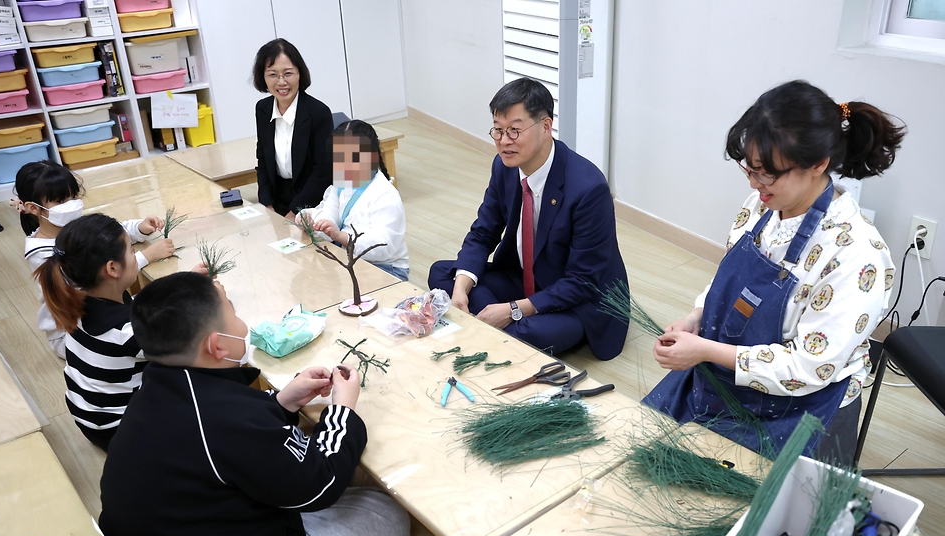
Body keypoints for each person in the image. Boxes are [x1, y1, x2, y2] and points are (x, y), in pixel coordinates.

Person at [99, 272, 410, 536]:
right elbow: (320, 485)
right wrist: (343, 410)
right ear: (217, 345)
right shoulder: (223, 419)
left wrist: (284, 402)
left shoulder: (163, 385)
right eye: (231, 310)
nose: (241, 321)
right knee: (386, 511)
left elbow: (234, 440)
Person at [644, 80, 904, 463]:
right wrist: (696, 318)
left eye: (768, 174)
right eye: (749, 167)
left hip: (799, 410)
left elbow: (807, 367)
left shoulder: (855, 255)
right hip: (723, 376)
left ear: (818, 165)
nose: (754, 183)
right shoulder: (762, 207)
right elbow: (728, 282)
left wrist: (705, 351)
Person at [428, 77, 629, 360]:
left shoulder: (588, 188)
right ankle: (496, 323)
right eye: (497, 130)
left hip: (576, 298)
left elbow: (582, 281)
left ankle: (498, 322)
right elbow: (483, 232)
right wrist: (461, 287)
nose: (503, 142)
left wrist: (512, 309)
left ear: (545, 127)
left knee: (533, 333)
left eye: (514, 131)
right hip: (523, 277)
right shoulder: (504, 166)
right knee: (443, 274)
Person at [34, 213, 175, 450]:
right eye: (131, 251)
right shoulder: (125, 333)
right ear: (112, 268)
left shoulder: (79, 302)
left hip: (92, 419)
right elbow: (186, 343)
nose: (134, 255)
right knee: (190, 377)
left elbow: (141, 310)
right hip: (121, 433)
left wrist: (180, 286)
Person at [18, 161, 173, 359]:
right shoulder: (43, 255)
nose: (72, 204)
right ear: (34, 208)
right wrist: (146, 256)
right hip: (73, 334)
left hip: (96, 313)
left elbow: (114, 235)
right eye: (61, 201)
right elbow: (97, 278)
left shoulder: (70, 228)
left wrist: (140, 228)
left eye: (73, 196)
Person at [302, 119, 409, 281]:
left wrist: (340, 236)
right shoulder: (341, 183)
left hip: (385, 268)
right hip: (349, 257)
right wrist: (314, 221)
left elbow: (382, 246)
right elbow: (329, 213)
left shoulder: (385, 194)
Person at [253, 38, 333, 219]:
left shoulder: (319, 113)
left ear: (300, 74)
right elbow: (263, 161)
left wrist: (294, 213)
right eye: (272, 74)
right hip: (277, 198)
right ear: (263, 77)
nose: (281, 82)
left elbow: (322, 172)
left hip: (312, 202)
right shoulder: (263, 109)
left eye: (288, 73)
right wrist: (267, 204)